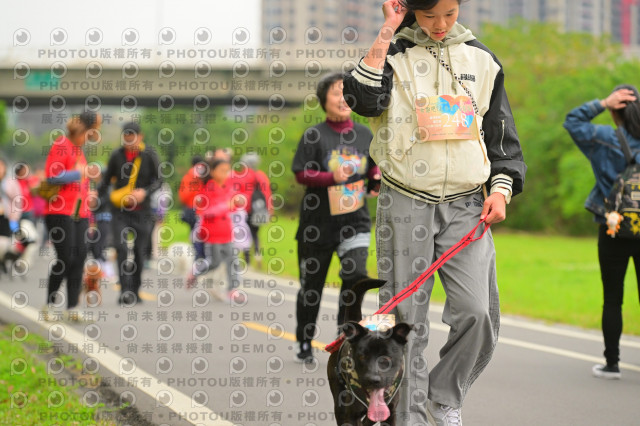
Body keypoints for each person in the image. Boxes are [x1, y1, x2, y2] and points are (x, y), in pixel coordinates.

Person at [342, 0, 527, 424]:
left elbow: (501, 136)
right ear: (411, 10)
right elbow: (363, 100)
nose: (441, 24)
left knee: (478, 313)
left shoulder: (481, 58)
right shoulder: (394, 53)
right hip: (406, 200)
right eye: (429, 16)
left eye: (450, 13)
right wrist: (389, 28)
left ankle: (442, 399)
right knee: (405, 319)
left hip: (468, 204)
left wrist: (501, 190)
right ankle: (406, 416)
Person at [291, 71, 380, 363]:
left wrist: (375, 180)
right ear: (323, 100)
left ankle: (345, 336)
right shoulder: (314, 135)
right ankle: (304, 341)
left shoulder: (365, 134)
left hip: (355, 222)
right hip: (317, 226)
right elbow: (301, 173)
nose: (342, 99)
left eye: (346, 93)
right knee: (311, 289)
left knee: (355, 277)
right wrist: (332, 177)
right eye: (336, 93)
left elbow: (373, 169)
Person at [564, 85, 640, 380]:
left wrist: (602, 102)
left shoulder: (605, 138)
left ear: (614, 110)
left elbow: (573, 121)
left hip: (613, 227)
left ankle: (612, 364)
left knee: (613, 298)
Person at [41, 112, 102, 321]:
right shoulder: (62, 144)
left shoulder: (78, 151)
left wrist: (90, 193)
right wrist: (80, 173)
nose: (89, 139)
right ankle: (49, 305)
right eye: (90, 134)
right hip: (59, 212)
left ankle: (73, 307)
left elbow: (81, 183)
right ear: (83, 131)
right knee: (65, 258)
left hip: (80, 213)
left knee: (80, 257)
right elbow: (52, 176)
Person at [98, 122, 161, 306]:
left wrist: (145, 193)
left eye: (132, 137)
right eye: (126, 137)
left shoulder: (149, 155)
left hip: (142, 211)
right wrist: (95, 197)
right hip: (120, 211)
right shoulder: (116, 155)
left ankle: (135, 289)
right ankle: (125, 290)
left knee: (140, 252)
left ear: (140, 137)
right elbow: (106, 181)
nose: (128, 141)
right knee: (121, 248)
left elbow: (159, 181)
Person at [187, 157, 241, 302]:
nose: (225, 174)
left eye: (227, 171)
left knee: (232, 260)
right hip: (212, 233)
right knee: (214, 262)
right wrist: (226, 206)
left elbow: (233, 206)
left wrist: (237, 203)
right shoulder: (207, 189)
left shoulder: (228, 187)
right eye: (222, 170)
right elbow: (205, 212)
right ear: (212, 171)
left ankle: (232, 289)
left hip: (227, 232)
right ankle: (195, 272)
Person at [229, 152, 273, 267]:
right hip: (258, 209)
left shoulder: (241, 175)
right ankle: (258, 254)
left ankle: (247, 258)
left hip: (244, 209)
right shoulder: (260, 175)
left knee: (245, 233)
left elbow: (235, 192)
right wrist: (269, 209)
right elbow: (267, 193)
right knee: (255, 233)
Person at [178, 155, 207, 260]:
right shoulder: (205, 175)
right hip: (201, 210)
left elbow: (183, 197)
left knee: (195, 234)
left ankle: (198, 257)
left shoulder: (187, 177)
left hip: (192, 209)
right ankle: (201, 257)